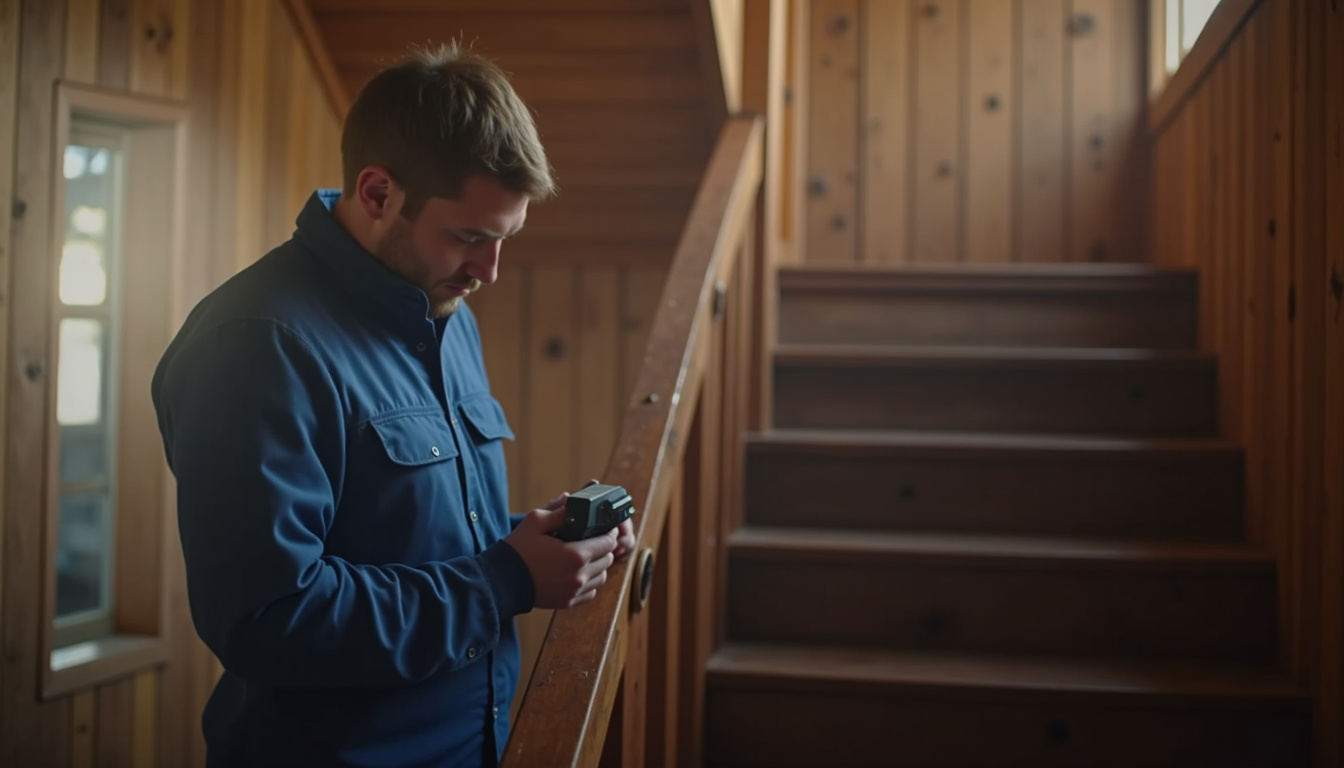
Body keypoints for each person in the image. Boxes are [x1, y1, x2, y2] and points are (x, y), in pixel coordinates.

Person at [151, 43, 635, 768]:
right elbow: (268, 619)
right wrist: (506, 580)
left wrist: (537, 546)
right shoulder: (256, 343)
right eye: (470, 237)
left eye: (505, 239)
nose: (489, 271)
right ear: (377, 194)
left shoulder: (446, 308)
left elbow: (405, 539)